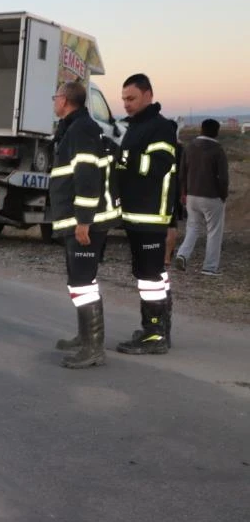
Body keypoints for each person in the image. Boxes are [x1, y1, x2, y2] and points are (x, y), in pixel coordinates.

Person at [49, 82, 121, 368]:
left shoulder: (81, 130)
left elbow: (87, 176)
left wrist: (84, 221)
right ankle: (84, 336)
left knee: (83, 282)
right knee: (78, 281)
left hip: (86, 223)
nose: (54, 101)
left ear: (65, 100)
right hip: (76, 220)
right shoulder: (73, 127)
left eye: (56, 97)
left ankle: (94, 348)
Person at [115, 74, 177, 355]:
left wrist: (124, 158)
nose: (126, 104)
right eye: (124, 99)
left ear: (148, 95)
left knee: (149, 276)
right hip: (134, 212)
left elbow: (159, 165)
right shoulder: (134, 127)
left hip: (151, 214)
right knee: (153, 274)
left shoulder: (161, 127)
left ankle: (154, 335)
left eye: (132, 98)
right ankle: (158, 328)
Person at [175, 118, 229, 276]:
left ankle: (182, 255)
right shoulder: (218, 150)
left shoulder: (190, 147)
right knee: (214, 232)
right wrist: (223, 195)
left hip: (191, 195)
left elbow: (182, 173)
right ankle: (209, 267)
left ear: (201, 129)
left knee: (192, 227)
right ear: (216, 131)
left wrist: (183, 193)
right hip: (212, 197)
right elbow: (223, 178)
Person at [165, 120, 185, 268]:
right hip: (175, 188)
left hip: (159, 190)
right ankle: (167, 256)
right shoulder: (180, 148)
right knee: (172, 224)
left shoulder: (160, 146)